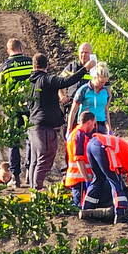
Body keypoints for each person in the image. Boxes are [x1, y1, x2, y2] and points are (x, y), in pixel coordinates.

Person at [26, 52, 95, 190]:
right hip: (44, 126)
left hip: (32, 124)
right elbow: (66, 82)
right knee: (45, 157)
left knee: (35, 159)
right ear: (47, 65)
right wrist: (86, 68)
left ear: (34, 66)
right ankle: (37, 190)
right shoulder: (46, 79)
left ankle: (33, 188)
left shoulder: (29, 82)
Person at [82, 132, 128, 223]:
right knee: (115, 182)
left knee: (98, 179)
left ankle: (86, 208)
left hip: (92, 144)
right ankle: (120, 214)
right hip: (104, 147)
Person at [0, 38, 33, 185]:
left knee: (14, 142)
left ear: (8, 50)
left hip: (13, 108)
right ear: (21, 48)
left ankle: (16, 177)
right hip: (30, 106)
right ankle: (30, 173)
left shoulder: (4, 67)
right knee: (31, 140)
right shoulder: (31, 63)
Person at [57, 42, 94, 174]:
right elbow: (59, 82)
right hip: (73, 107)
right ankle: (69, 165)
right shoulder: (72, 67)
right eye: (82, 52)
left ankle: (87, 166)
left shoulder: (95, 68)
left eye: (86, 52)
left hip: (89, 110)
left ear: (91, 54)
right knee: (70, 136)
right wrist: (62, 96)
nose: (84, 55)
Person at [64, 111, 98, 210]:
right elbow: (78, 158)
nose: (93, 127)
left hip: (77, 176)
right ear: (89, 122)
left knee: (80, 204)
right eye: (93, 124)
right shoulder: (79, 135)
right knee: (80, 206)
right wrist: (86, 177)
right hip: (79, 178)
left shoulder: (75, 133)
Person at [68, 62, 112, 135]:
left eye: (105, 82)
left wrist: (109, 128)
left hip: (101, 126)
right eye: (101, 82)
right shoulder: (84, 90)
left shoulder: (105, 91)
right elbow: (73, 111)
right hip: (85, 126)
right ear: (95, 77)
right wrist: (69, 130)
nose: (103, 84)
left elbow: (106, 110)